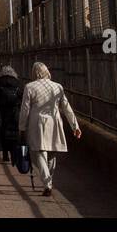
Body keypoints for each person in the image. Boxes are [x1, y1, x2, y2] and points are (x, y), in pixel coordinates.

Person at [19, 61, 81, 197]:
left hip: (37, 122)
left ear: (34, 72)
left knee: (41, 152)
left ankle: (47, 183)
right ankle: (49, 180)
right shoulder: (57, 87)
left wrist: (22, 127)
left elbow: (25, 109)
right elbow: (66, 107)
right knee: (52, 152)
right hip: (54, 121)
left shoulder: (29, 87)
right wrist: (75, 126)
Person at [0, 65, 23, 164]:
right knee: (14, 132)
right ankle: (14, 155)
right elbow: (21, 97)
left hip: (1, 112)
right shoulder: (17, 83)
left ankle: (5, 154)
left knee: (3, 132)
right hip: (14, 112)